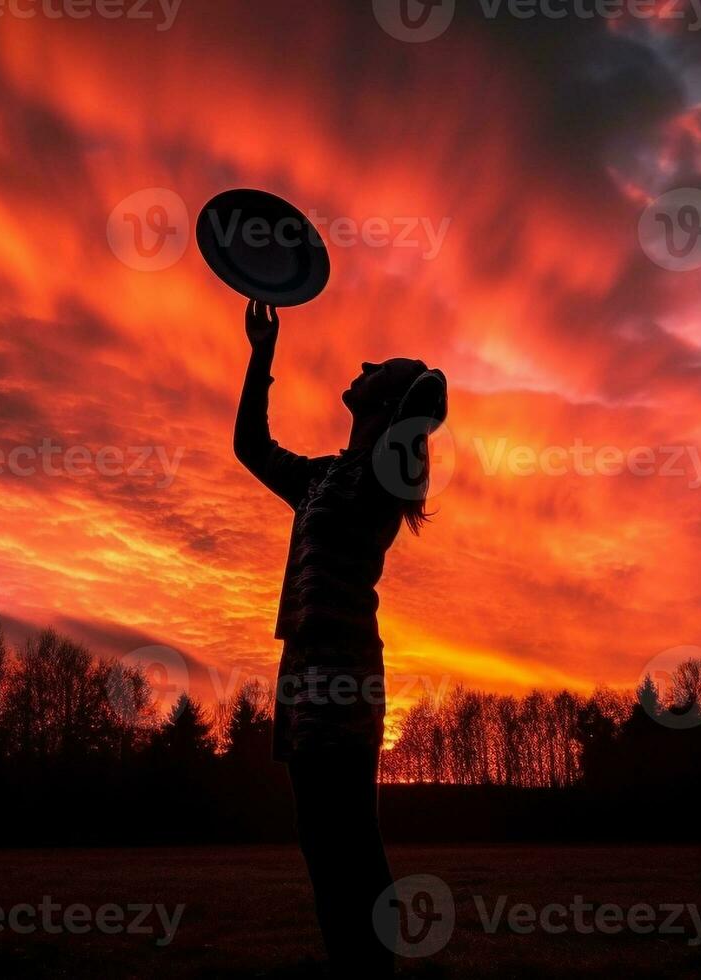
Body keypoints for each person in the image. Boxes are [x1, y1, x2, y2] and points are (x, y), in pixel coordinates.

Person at [233, 299, 448, 975]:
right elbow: (249, 447)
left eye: (375, 366)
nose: (359, 364)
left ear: (388, 401)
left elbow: (429, 395)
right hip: (300, 664)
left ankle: (373, 969)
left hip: (343, 664)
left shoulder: (388, 474)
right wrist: (261, 354)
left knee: (348, 834)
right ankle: (350, 966)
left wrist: (412, 387)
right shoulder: (323, 475)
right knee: (318, 838)